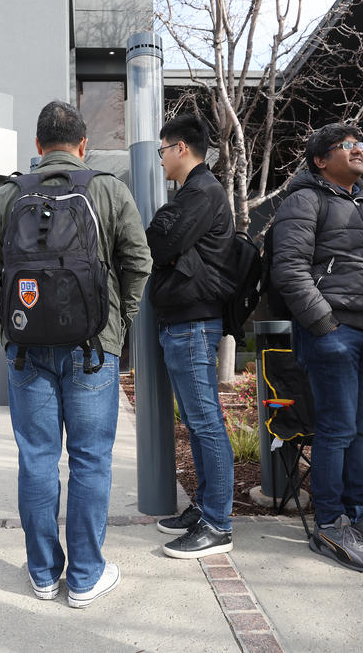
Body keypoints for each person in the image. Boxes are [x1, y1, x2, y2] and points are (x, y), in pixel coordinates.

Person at [0, 100, 152, 608]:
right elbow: (138, 262)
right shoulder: (108, 189)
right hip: (93, 347)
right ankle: (85, 578)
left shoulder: (7, 196)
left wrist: (6, 325)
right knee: (91, 460)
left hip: (26, 348)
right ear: (82, 146)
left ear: (37, 147)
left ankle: (44, 574)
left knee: (36, 460)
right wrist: (119, 323)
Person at [271, 122, 363, 573]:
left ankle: (359, 513)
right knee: (336, 431)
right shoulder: (304, 199)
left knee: (358, 428)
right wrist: (325, 326)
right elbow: (289, 269)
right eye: (347, 145)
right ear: (321, 160)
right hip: (332, 333)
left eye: (360, 144)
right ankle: (331, 524)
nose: (359, 150)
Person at [146, 113, 236, 559]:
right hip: (185, 321)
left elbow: (157, 244)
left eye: (163, 150)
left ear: (181, 148)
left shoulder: (202, 192)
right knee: (197, 423)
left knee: (205, 422)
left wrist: (161, 224)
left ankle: (217, 524)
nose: (160, 159)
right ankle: (204, 509)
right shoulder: (192, 193)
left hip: (194, 323)